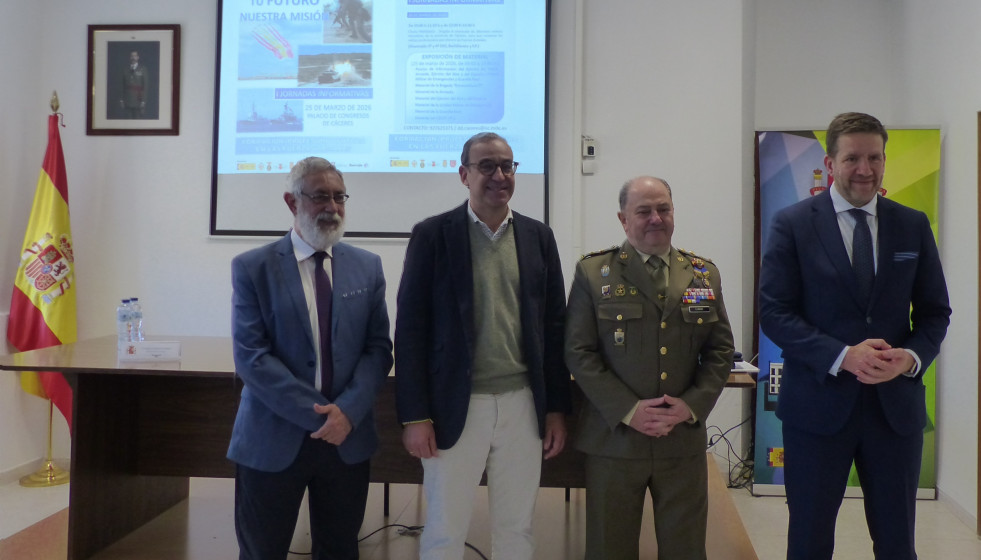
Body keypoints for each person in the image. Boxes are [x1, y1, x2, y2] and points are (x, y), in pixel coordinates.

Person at [758, 112, 951, 560]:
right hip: (817, 409)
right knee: (809, 538)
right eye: (852, 159)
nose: (864, 169)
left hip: (894, 412)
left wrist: (909, 358)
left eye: (874, 157)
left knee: (897, 541)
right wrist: (842, 355)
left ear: (884, 160)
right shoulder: (793, 223)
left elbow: (934, 313)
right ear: (829, 163)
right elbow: (774, 312)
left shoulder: (912, 225)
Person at [395, 132, 571, 559]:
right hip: (455, 405)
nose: (498, 175)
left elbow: (554, 328)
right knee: (444, 529)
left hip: (522, 404)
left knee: (517, 529)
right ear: (463, 174)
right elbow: (410, 330)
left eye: (507, 165)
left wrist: (555, 408)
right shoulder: (432, 235)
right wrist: (415, 415)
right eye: (486, 166)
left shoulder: (538, 237)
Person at [227, 156, 393, 560]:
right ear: (291, 202)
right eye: (320, 197)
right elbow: (252, 357)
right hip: (273, 437)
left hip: (346, 440)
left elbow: (378, 349)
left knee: (339, 549)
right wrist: (323, 416)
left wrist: (347, 413)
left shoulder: (366, 267)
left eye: (339, 197)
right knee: (262, 551)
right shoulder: (253, 267)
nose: (332, 207)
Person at [565, 175, 735, 560]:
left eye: (664, 209)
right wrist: (629, 410)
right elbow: (579, 351)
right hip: (615, 441)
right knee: (610, 547)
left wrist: (690, 406)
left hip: (681, 439)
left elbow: (720, 350)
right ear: (624, 219)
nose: (655, 218)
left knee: (686, 548)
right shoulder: (594, 273)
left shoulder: (703, 274)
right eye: (644, 211)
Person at [119, 50, 148, 118]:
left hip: (138, 100)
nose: (133, 57)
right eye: (132, 56)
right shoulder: (125, 69)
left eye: (135, 56)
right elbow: (122, 86)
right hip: (127, 100)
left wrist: (143, 101)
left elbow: (145, 86)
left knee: (137, 122)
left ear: (138, 57)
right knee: (128, 122)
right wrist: (121, 99)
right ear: (130, 57)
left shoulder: (143, 69)